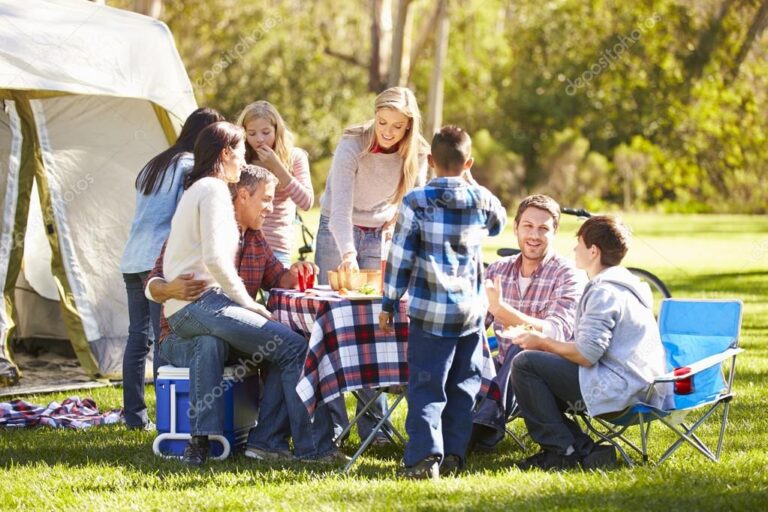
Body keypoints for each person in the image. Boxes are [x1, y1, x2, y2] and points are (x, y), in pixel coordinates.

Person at [149, 123, 336, 465]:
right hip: (202, 304)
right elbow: (215, 260)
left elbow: (215, 261)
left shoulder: (199, 190)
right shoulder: (216, 190)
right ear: (225, 154)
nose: (243, 157)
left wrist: (291, 276)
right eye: (239, 151)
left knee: (247, 346)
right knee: (295, 347)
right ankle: (316, 450)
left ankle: (240, 443)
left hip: (190, 313)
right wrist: (249, 304)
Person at [379, 125, 507, 479]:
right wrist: (471, 179)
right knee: (463, 387)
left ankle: (424, 459)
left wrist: (389, 304)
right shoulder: (481, 200)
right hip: (470, 314)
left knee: (426, 387)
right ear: (469, 162)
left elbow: (399, 259)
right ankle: (453, 456)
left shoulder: (416, 201)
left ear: (430, 160)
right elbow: (499, 223)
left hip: (430, 315)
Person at [509, 215, 670, 471]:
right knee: (539, 373)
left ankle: (563, 451)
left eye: (579, 244)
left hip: (622, 391)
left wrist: (543, 342)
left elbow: (586, 355)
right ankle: (581, 450)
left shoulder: (604, 292)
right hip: (641, 385)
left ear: (593, 251)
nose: (574, 249)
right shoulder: (628, 285)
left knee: (525, 364)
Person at [316, 86, 430, 444]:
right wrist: (347, 252)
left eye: (398, 126)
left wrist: (395, 242)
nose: (388, 132)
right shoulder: (354, 143)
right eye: (383, 122)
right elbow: (338, 208)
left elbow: (412, 209)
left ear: (409, 126)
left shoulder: (418, 153)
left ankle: (374, 426)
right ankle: (332, 427)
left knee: (372, 323)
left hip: (379, 229)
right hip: (338, 227)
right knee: (331, 320)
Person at [119, 107, 223, 430]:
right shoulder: (189, 165)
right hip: (158, 264)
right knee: (165, 338)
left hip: (132, 259)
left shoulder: (155, 163)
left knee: (138, 339)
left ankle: (135, 417)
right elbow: (183, 218)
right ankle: (169, 418)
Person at [470, 194, 586, 450]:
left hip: (550, 371)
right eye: (528, 226)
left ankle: (482, 426)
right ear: (516, 228)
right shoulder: (497, 270)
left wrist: (502, 309)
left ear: (554, 232)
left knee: (524, 345)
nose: (534, 235)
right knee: (465, 338)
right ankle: (448, 424)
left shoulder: (568, 274)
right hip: (501, 370)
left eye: (543, 228)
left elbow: (555, 332)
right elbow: (476, 321)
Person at [237, 101, 313, 266]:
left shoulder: (295, 157)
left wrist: (277, 167)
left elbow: (306, 202)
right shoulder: (241, 159)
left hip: (277, 247)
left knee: (279, 291)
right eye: (252, 133)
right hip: (242, 245)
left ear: (277, 130)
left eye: (266, 132)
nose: (259, 139)